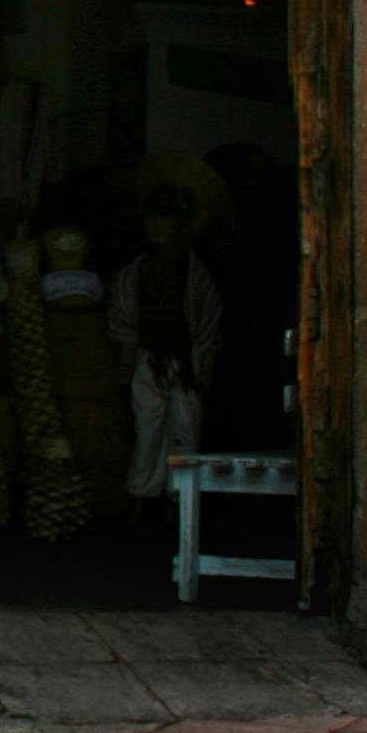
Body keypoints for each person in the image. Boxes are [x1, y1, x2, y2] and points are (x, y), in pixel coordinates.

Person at [109, 185, 225, 502]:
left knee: (186, 428)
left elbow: (207, 323)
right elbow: (126, 325)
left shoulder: (196, 274)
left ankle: (181, 498)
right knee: (148, 429)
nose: (157, 227)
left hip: (185, 360)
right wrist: (125, 368)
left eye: (165, 220)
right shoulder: (133, 273)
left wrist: (201, 367)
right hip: (148, 359)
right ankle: (143, 494)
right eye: (152, 220)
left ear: (179, 224)